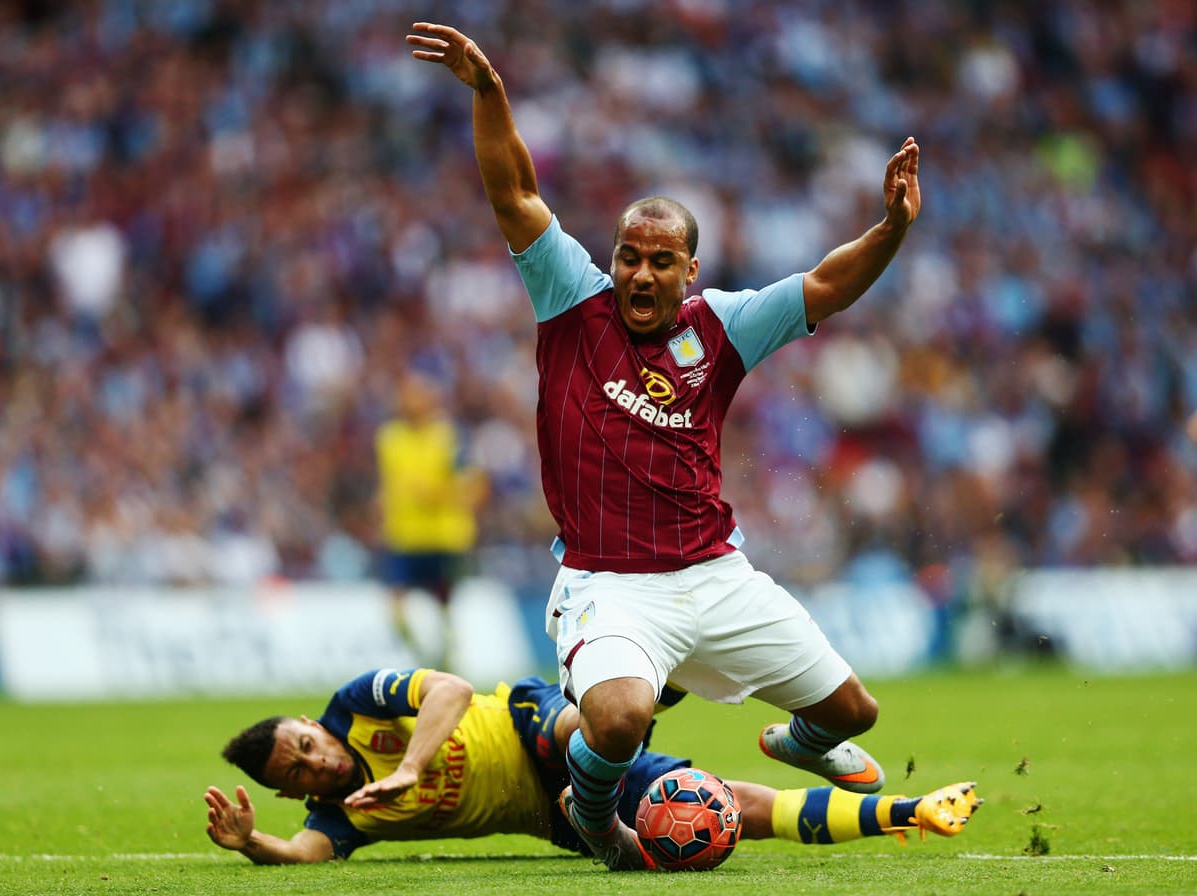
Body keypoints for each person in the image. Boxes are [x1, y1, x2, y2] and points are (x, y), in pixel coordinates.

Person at [407, 21, 923, 870]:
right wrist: (490, 95)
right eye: (628, 257)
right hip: (609, 583)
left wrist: (892, 229)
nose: (639, 275)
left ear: (690, 270)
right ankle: (593, 811)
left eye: (660, 261)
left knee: (853, 716)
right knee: (616, 720)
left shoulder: (723, 325)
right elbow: (516, 193)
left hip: (715, 573)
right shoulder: (572, 298)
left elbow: (829, 282)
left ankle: (796, 743)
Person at [204, 667, 981, 865]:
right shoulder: (340, 816)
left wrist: (410, 764)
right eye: (297, 773)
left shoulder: (357, 704)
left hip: (526, 721)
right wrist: (252, 846)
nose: (318, 762)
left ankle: (674, 666)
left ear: (311, 724)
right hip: (555, 818)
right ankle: (906, 810)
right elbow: (302, 851)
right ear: (285, 792)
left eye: (306, 744)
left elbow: (449, 689)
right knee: (711, 817)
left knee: (585, 725)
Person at [374, 370, 488, 669]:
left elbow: (472, 483)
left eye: (417, 395)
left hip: (444, 536)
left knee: (444, 606)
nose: (410, 402)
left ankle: (447, 658)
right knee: (397, 608)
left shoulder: (448, 436)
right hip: (404, 536)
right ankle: (423, 656)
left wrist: (440, 495)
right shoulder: (389, 438)